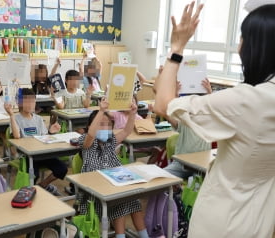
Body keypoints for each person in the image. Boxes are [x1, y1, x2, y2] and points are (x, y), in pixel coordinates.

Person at [154, 2, 275, 237]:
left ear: (255, 47)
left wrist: (177, 47)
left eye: (242, 38)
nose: (238, 45)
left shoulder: (246, 100)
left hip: (224, 219)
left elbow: (162, 104)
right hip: (262, 217)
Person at [77, 98, 149, 238]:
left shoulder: (110, 140)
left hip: (114, 183)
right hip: (94, 189)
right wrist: (102, 110)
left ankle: (144, 235)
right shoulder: (86, 140)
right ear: (90, 125)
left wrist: (133, 112)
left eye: (108, 125)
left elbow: (127, 131)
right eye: (100, 124)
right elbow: (92, 134)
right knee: (121, 203)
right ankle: (120, 236)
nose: (104, 128)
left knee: (133, 202)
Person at [5, 88, 67, 196]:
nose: (30, 104)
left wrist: (50, 132)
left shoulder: (38, 119)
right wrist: (11, 115)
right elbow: (16, 136)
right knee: (34, 174)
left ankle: (42, 185)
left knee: (62, 168)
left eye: (32, 101)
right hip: (26, 156)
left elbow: (43, 138)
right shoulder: (15, 118)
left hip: (41, 153)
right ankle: (29, 192)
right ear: (19, 103)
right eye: (26, 101)